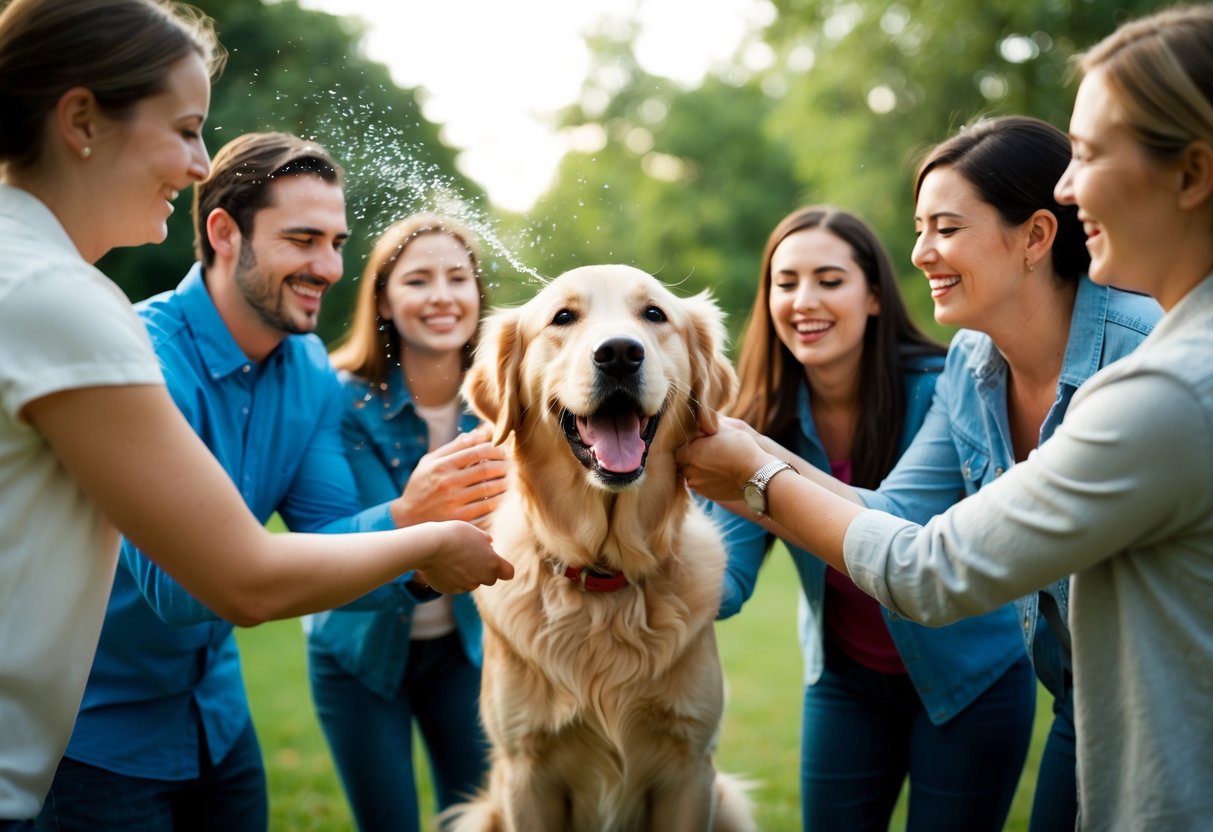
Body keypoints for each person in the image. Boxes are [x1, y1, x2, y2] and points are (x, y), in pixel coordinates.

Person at [677, 5, 1213, 830]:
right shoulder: (973, 364)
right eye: (919, 228)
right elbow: (896, 519)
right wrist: (756, 451)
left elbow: (930, 570)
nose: (919, 252)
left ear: (1034, 238)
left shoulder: (1153, 377)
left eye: (946, 229)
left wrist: (754, 474)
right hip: (1082, 693)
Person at [0, 1, 510, 826]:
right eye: (305, 240)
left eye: (338, 244)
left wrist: (414, 542)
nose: (331, 266)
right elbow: (188, 587)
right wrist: (415, 530)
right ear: (224, 235)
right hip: (96, 746)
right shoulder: (115, 334)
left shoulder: (308, 368)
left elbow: (329, 539)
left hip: (217, 724)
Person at [714, 205, 1035, 831]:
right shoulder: (755, 419)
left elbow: (896, 525)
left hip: (972, 681)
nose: (805, 301)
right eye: (786, 283)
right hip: (846, 682)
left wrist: (752, 471)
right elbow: (723, 586)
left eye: (830, 280)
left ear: (875, 298)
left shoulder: (945, 384)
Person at [305, 215, 496, 831]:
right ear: (384, 299)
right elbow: (348, 547)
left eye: (457, 278)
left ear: (476, 293)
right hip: (357, 657)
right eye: (418, 280)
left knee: (481, 818)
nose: (442, 295)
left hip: (467, 650)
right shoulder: (340, 400)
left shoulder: (504, 403)